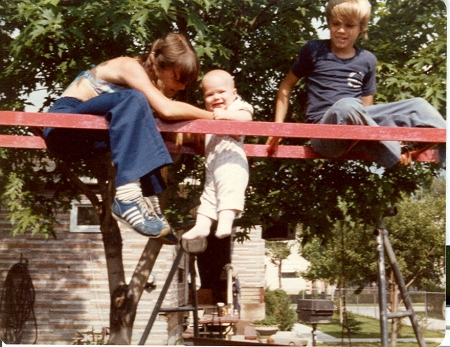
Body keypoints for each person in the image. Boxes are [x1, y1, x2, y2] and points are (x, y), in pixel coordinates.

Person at [43, 33, 214, 239]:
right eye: (178, 79)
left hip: (85, 139)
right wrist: (218, 117)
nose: (181, 87)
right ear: (159, 65)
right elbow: (167, 110)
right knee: (135, 99)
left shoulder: (142, 98)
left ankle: (150, 205)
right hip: (64, 127)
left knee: (146, 129)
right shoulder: (129, 66)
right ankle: (126, 198)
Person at [266, 0, 446, 169]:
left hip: (355, 130)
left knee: (418, 105)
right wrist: (277, 127)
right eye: (336, 24)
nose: (341, 30)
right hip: (323, 133)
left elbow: (367, 109)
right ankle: (393, 150)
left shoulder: (367, 59)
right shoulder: (314, 50)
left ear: (362, 27)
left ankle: (423, 151)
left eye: (349, 25)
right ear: (329, 23)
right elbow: (285, 86)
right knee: (347, 105)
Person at [182, 70, 253, 240]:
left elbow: (247, 118)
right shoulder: (211, 116)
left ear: (234, 93)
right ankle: (202, 226)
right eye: (210, 94)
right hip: (213, 164)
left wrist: (226, 116)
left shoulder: (237, 107)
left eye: (221, 92)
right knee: (208, 196)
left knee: (229, 190)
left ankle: (225, 223)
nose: (216, 97)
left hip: (232, 161)